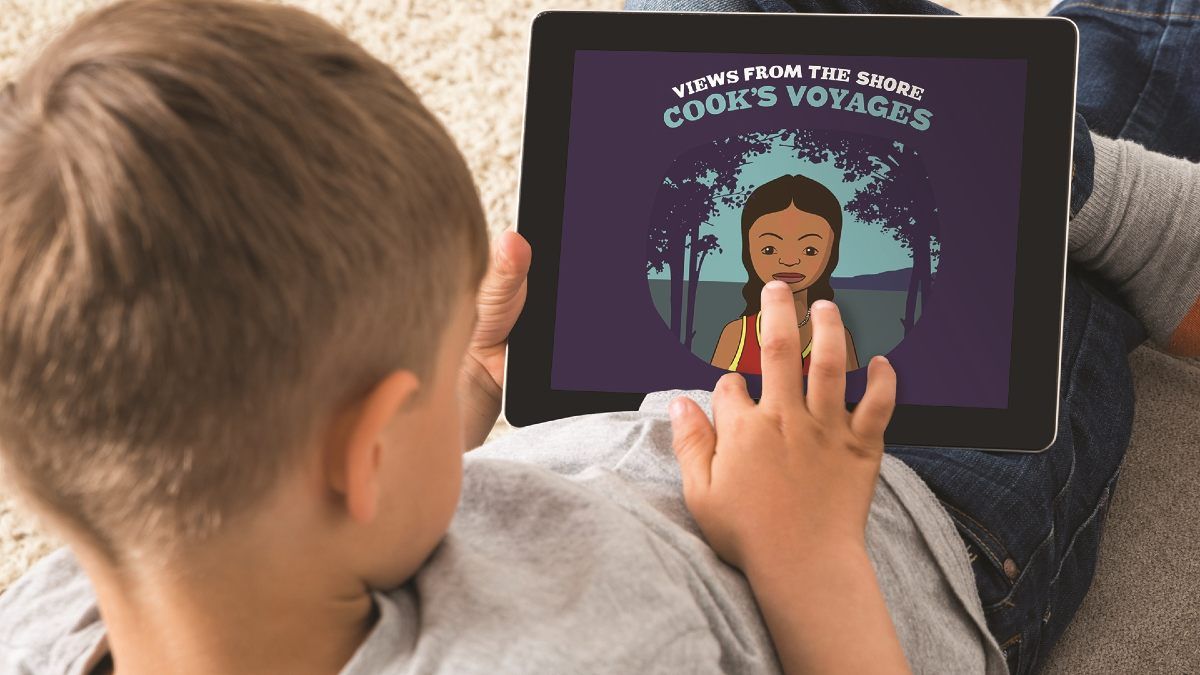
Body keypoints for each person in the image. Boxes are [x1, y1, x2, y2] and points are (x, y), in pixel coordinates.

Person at [0, 1, 1197, 674]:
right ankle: (1099, 176)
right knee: (1086, 107)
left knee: (705, 33)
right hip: (893, 498)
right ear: (364, 450)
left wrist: (463, 396)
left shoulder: (63, 618)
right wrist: (804, 551)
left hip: (646, 441)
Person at [710, 174, 860, 374]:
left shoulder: (838, 337)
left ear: (832, 252)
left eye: (810, 250)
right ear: (748, 249)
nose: (789, 260)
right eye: (769, 249)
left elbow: (852, 397)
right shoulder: (736, 334)